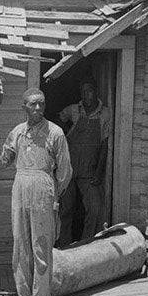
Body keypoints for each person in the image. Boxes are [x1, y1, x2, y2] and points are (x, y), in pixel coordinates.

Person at [0, 89, 72, 296]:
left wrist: (53, 195)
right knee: (21, 248)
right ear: (24, 107)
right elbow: (3, 161)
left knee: (41, 249)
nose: (38, 109)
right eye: (33, 105)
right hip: (20, 187)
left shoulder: (56, 133)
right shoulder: (18, 133)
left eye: (42, 104)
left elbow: (64, 171)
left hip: (43, 188)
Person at [57, 80, 112, 244]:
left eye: (89, 91)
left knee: (94, 208)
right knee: (65, 209)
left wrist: (99, 172)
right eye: (83, 91)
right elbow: (59, 120)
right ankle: (63, 245)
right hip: (69, 168)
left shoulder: (105, 114)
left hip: (89, 171)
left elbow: (104, 145)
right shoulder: (74, 110)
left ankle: (86, 245)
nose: (85, 95)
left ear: (96, 92)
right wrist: (64, 134)